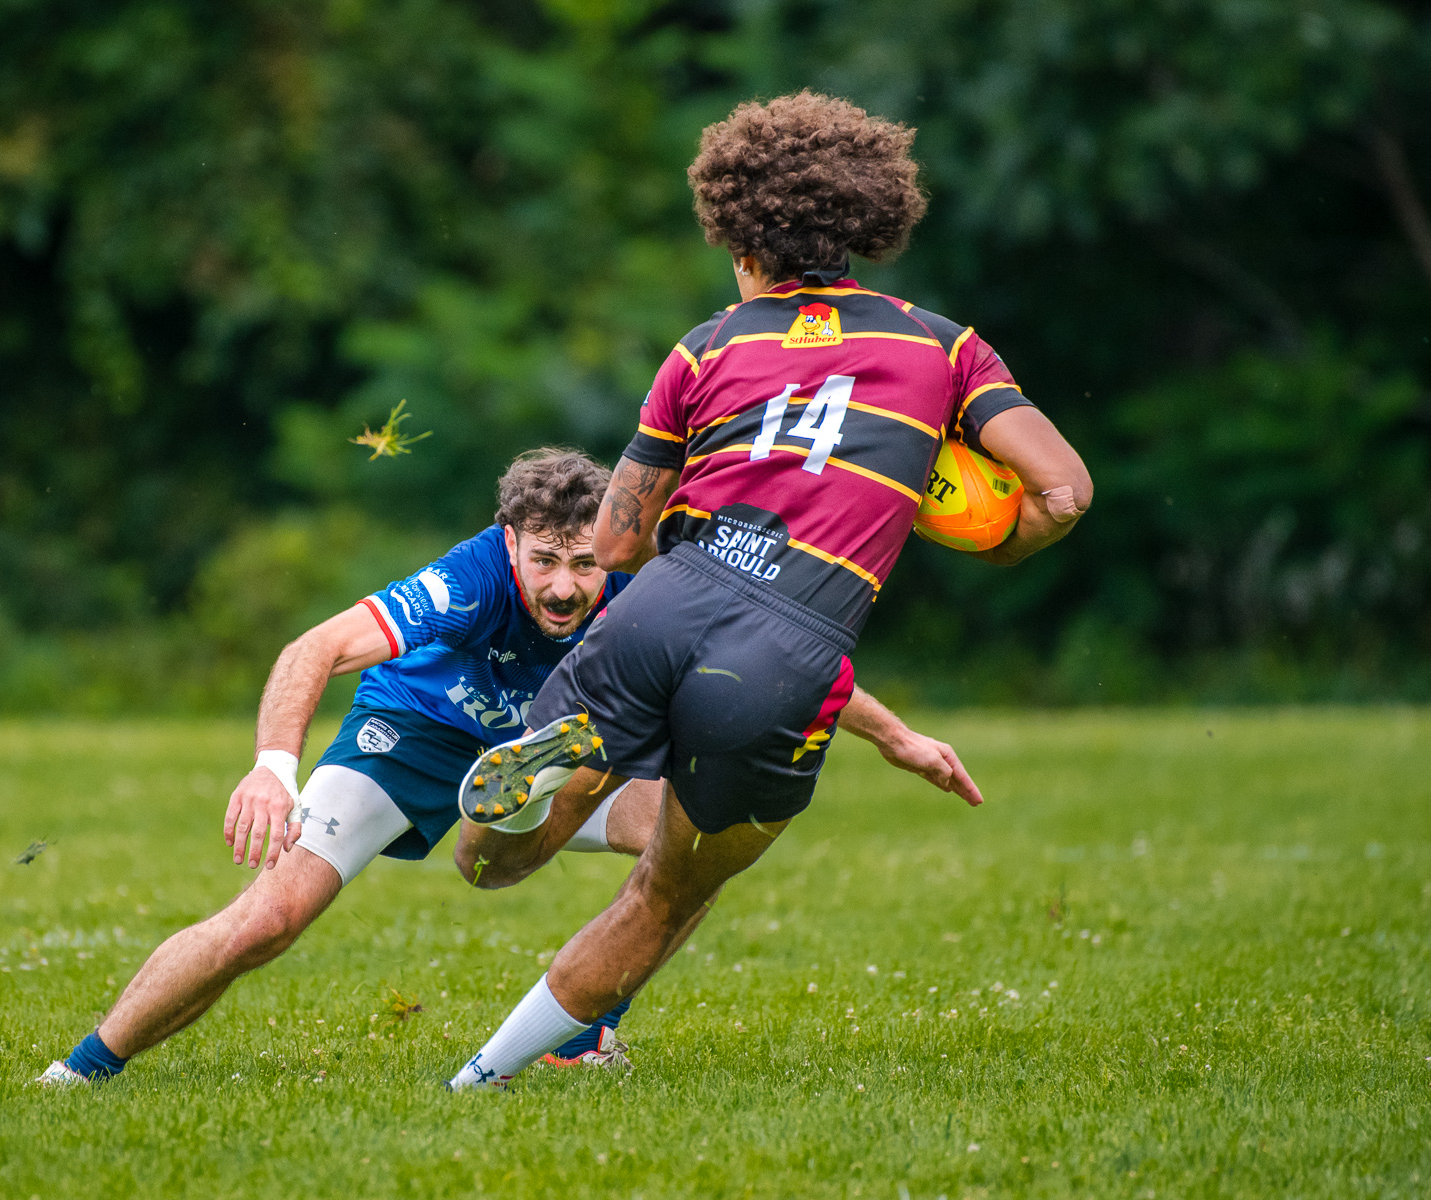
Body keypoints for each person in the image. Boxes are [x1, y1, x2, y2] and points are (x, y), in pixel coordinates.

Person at [447, 91, 1091, 1090]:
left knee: (489, 864)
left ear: (743, 239)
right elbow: (1064, 491)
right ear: (865, 230)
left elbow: (615, 541)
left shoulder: (710, 345)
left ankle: (539, 769)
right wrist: (993, 539)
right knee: (668, 889)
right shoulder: (946, 349)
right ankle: (481, 1076)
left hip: (670, 599)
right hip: (789, 652)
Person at [37, 448, 976, 1085]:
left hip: (546, 752)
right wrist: (272, 767)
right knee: (268, 919)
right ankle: (79, 1071)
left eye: (583, 562)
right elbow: (313, 649)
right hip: (411, 738)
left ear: (607, 546)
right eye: (545, 562)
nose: (567, 586)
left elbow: (772, 650)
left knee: (694, 848)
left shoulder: (642, 577)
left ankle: (585, 1030)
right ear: (508, 540)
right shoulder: (471, 576)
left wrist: (896, 737)